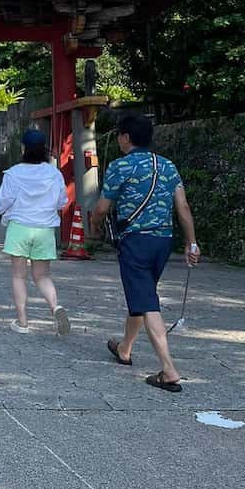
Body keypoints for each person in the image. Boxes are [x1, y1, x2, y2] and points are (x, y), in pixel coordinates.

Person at [89, 112, 200, 393]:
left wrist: (95, 227)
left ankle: (169, 369)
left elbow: (102, 208)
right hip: (163, 241)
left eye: (118, 136)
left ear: (125, 138)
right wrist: (192, 243)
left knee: (147, 300)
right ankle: (125, 348)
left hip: (135, 241)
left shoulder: (120, 167)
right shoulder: (167, 166)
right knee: (142, 292)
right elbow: (183, 208)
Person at [0, 129, 70, 336]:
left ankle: (23, 322)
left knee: (19, 276)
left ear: (24, 148)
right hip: (45, 229)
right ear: (44, 150)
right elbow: (62, 202)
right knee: (42, 275)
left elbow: (1, 205)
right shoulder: (54, 174)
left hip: (20, 228)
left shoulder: (14, 173)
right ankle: (55, 307)